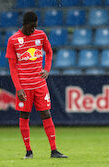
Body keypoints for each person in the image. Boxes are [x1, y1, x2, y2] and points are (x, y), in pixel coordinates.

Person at [6, 11, 68, 158]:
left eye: (35, 27)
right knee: (24, 115)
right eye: (32, 27)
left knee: (46, 113)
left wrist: (47, 69)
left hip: (40, 84)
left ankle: (54, 150)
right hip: (24, 86)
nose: (34, 29)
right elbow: (13, 67)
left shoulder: (41, 35)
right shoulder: (13, 40)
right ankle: (28, 151)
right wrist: (19, 88)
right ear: (25, 24)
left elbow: (49, 52)